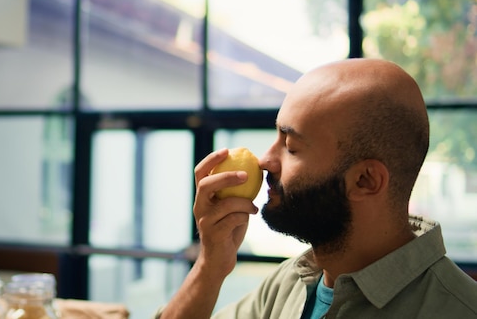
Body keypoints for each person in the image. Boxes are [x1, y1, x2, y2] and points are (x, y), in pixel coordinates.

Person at [152, 58, 477, 318]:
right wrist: (211, 264)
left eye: (291, 147)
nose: (265, 161)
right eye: (276, 136)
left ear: (365, 181)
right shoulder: (287, 285)